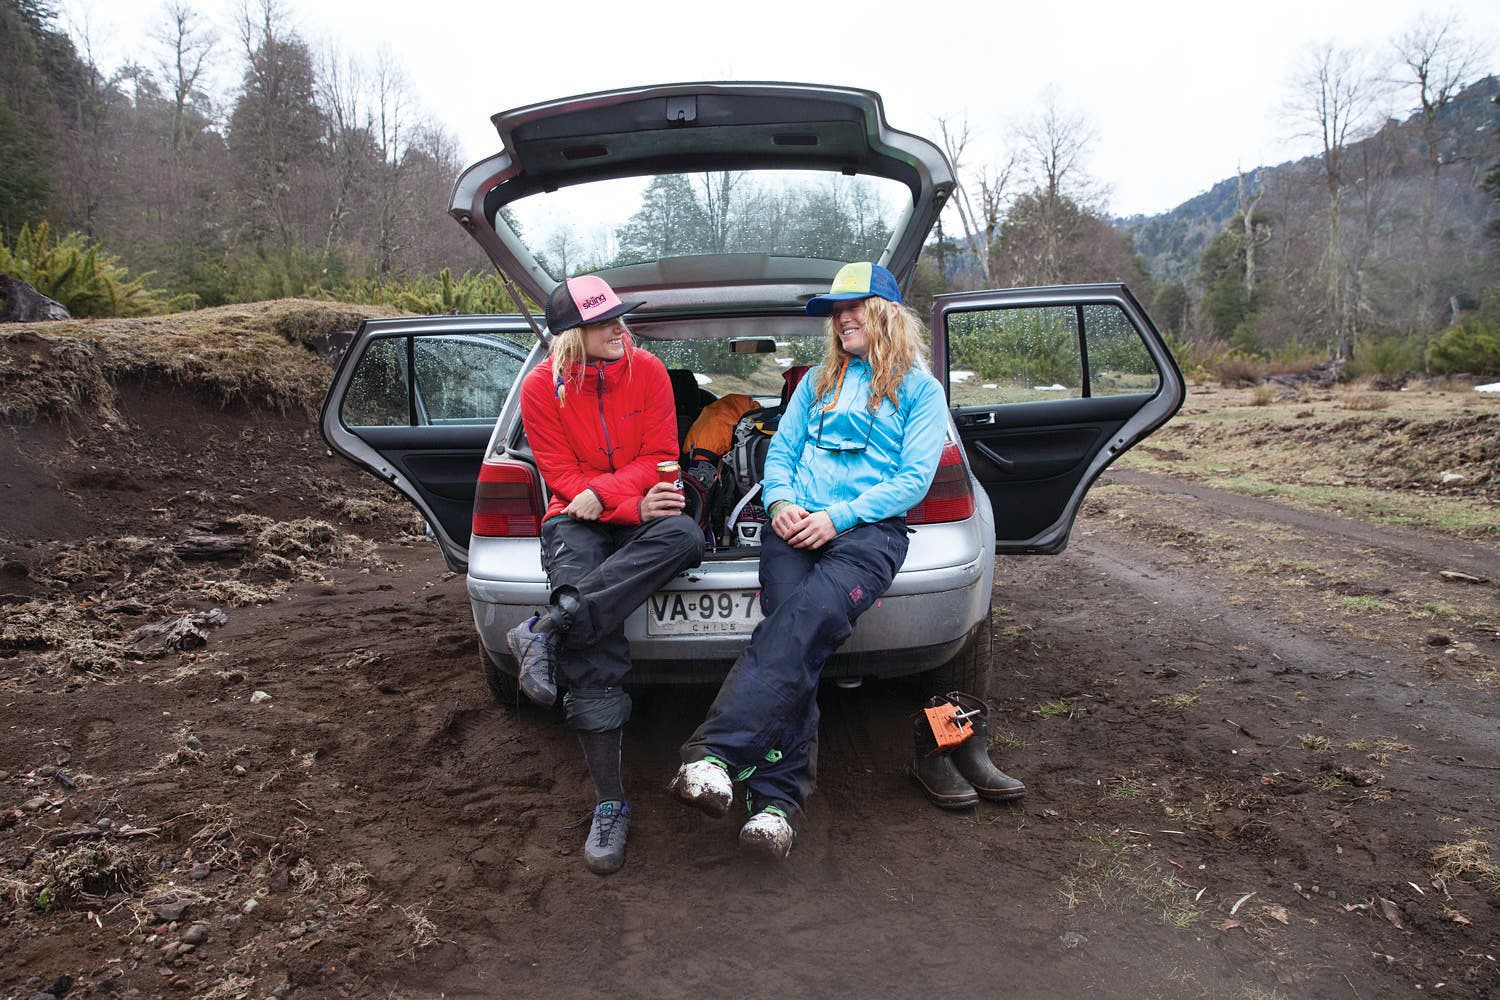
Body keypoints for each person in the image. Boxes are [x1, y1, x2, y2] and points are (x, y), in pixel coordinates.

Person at [669, 262, 948, 859]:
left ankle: (714, 756)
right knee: (794, 643)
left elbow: (914, 479)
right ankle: (775, 807)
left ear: (887, 313)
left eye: (854, 306)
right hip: (793, 529)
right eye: (835, 311)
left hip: (867, 535)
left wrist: (837, 517)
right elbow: (782, 453)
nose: (842, 317)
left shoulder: (922, 391)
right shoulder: (819, 382)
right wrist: (780, 503)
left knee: (803, 624)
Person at [507, 274, 705, 875]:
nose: (622, 330)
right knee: (594, 643)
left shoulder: (647, 371)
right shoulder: (540, 388)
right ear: (571, 336)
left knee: (685, 535)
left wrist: (628, 502)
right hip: (578, 518)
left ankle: (546, 627)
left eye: (622, 320)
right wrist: (619, 503)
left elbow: (663, 457)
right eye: (606, 323)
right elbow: (562, 479)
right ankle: (611, 802)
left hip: (642, 510)